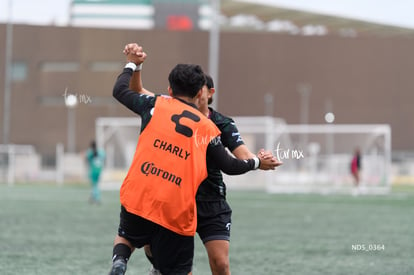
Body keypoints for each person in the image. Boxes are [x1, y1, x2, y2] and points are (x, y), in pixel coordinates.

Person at [109, 47, 279, 275]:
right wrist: (258, 164)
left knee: (220, 263)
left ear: (208, 93)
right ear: (200, 92)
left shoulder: (217, 124)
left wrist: (256, 160)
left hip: (207, 199)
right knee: (160, 248)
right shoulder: (168, 107)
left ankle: (126, 261)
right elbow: (231, 165)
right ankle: (158, 267)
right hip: (176, 195)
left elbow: (240, 156)